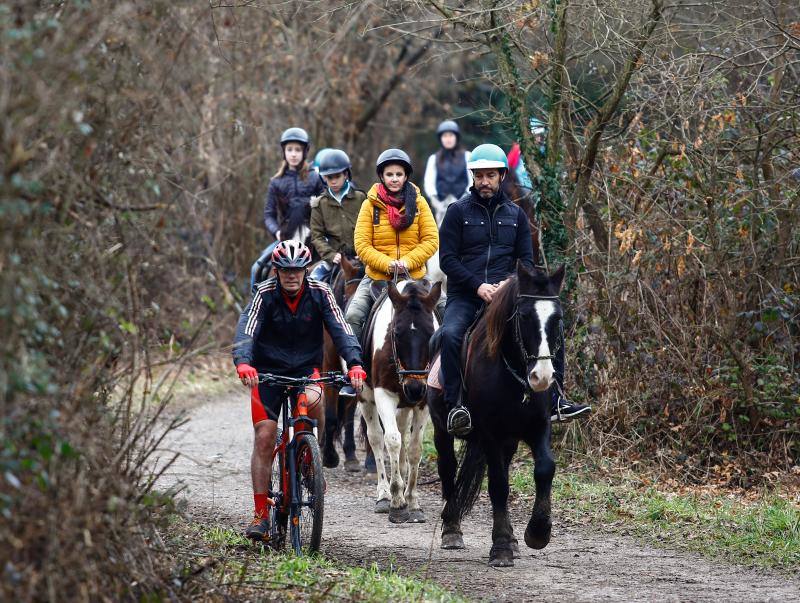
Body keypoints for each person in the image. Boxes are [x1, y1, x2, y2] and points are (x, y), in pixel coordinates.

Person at [438, 143, 590, 437]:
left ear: (501, 175)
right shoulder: (457, 213)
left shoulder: (517, 216)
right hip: (466, 295)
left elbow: (526, 262)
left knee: (552, 327)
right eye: (479, 175)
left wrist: (508, 283)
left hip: (507, 294)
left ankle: (557, 398)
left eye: (490, 175)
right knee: (449, 333)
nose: (485, 181)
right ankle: (456, 405)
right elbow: (448, 259)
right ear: (472, 177)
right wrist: (478, 286)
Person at [233, 240, 367, 541]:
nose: (291, 276)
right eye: (285, 270)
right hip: (266, 373)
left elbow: (341, 328)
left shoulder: (321, 293)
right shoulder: (264, 294)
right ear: (277, 271)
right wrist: (243, 362)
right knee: (265, 436)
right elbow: (246, 329)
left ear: (306, 270)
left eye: (297, 270)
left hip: (306, 370)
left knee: (315, 400)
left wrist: (355, 363)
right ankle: (261, 514)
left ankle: (309, 459)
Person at [345, 149, 439, 341]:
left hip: (416, 277)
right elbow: (362, 245)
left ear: (406, 177)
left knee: (446, 310)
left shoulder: (420, 204)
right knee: (353, 316)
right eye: (389, 174)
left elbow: (431, 240)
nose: (394, 179)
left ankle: (443, 367)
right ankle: (356, 367)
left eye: (399, 174)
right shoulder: (369, 206)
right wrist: (387, 263)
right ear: (382, 176)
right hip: (376, 278)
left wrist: (407, 262)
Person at [249, 127, 324, 292]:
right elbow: (268, 214)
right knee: (256, 268)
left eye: (298, 150)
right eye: (290, 149)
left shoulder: (315, 178)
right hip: (285, 235)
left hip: (313, 236)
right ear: (284, 152)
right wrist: (276, 232)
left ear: (304, 152)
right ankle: (255, 311)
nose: (294, 154)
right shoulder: (276, 182)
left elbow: (326, 208)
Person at [309, 149, 365, 282]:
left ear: (346, 174)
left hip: (362, 257)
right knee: (313, 281)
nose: (333, 181)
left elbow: (372, 228)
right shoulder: (319, 204)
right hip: (334, 259)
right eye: (329, 177)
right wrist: (330, 255)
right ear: (324, 178)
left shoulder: (361, 198)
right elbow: (317, 236)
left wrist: (365, 252)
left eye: (337, 176)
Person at [423, 120, 472, 226]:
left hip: (464, 204)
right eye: (445, 136)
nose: (448, 139)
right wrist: (435, 200)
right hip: (441, 206)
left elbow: (472, 181)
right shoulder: (433, 158)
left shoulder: (467, 156)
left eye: (451, 135)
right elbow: (429, 182)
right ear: (441, 138)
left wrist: (466, 198)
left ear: (456, 137)